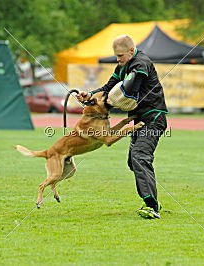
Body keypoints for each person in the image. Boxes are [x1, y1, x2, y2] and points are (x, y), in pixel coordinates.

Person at [77, 35, 168, 219]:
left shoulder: (141, 63)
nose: (118, 60)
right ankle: (153, 199)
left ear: (131, 51)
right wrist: (91, 95)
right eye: (116, 56)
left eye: (120, 56)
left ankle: (151, 206)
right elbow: (110, 85)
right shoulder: (123, 65)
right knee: (133, 161)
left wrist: (109, 101)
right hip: (139, 118)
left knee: (140, 157)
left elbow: (130, 87)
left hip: (154, 117)